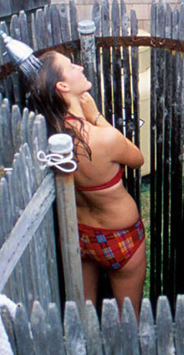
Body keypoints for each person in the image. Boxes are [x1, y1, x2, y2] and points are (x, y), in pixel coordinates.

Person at [27, 51, 145, 312]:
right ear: (63, 86)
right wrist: (97, 117)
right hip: (120, 236)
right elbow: (137, 158)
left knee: (83, 317)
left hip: (78, 236)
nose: (79, 67)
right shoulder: (103, 138)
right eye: (71, 66)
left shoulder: (48, 134)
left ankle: (87, 353)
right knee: (130, 319)